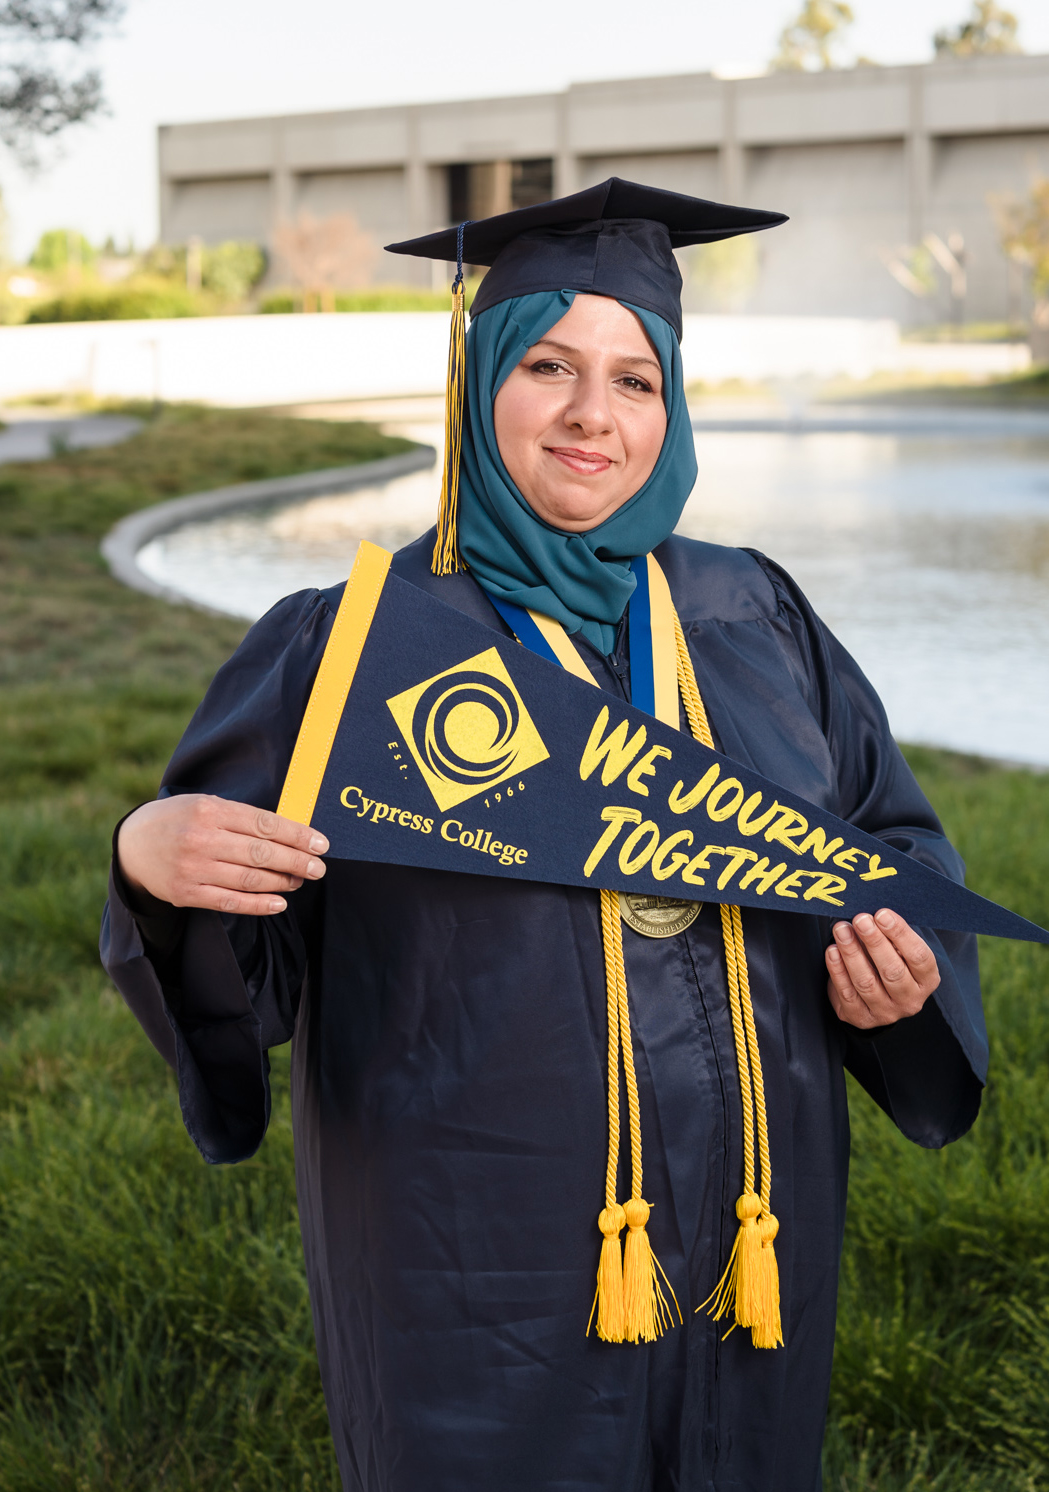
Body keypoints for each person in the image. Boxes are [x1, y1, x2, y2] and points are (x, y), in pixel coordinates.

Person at [102, 179, 985, 1492]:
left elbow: (889, 848)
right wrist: (153, 868)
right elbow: (253, 969)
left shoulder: (758, 620)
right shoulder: (345, 647)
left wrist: (900, 974)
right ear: (477, 386)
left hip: (755, 1231)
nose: (593, 414)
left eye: (636, 380)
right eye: (551, 367)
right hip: (472, 1265)